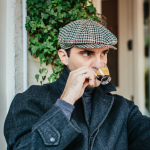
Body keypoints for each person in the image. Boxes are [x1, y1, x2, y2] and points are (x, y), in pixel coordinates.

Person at [4, 19, 150, 150]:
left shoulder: (123, 108)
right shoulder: (30, 101)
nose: (99, 63)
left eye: (103, 53)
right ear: (64, 57)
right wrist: (66, 102)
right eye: (87, 53)